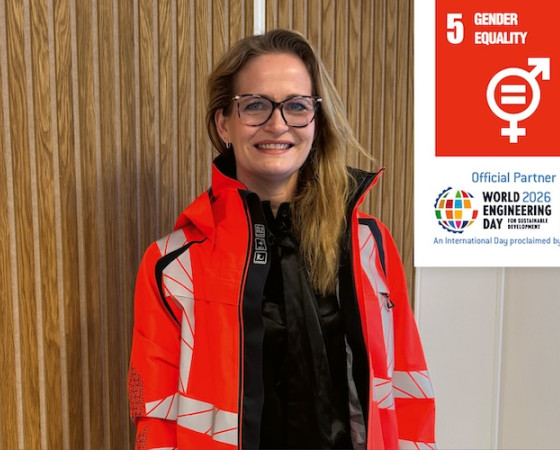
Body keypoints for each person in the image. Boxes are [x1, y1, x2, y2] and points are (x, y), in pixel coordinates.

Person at [128, 29, 435, 449]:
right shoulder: (172, 264)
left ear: (316, 122)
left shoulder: (370, 246)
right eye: (255, 105)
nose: (277, 124)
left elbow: (408, 393)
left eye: (296, 106)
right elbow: (156, 418)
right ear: (224, 123)